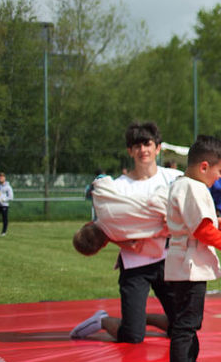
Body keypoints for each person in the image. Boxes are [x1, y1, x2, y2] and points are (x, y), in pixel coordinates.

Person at [70, 123, 183, 342]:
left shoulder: (173, 178)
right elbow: (108, 226)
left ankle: (141, 318)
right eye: (136, 146)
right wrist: (124, 242)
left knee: (182, 327)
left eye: (147, 144)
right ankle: (102, 320)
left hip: (167, 261)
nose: (143, 150)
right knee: (132, 335)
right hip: (135, 265)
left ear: (158, 148)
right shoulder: (118, 187)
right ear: (130, 151)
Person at [164, 135, 221, 362]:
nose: (220, 177)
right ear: (204, 167)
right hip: (189, 264)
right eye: (220, 171)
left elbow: (197, 223)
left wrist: (215, 222)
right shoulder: (193, 187)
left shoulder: (184, 184)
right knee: (186, 322)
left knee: (189, 320)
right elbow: (201, 230)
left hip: (184, 259)